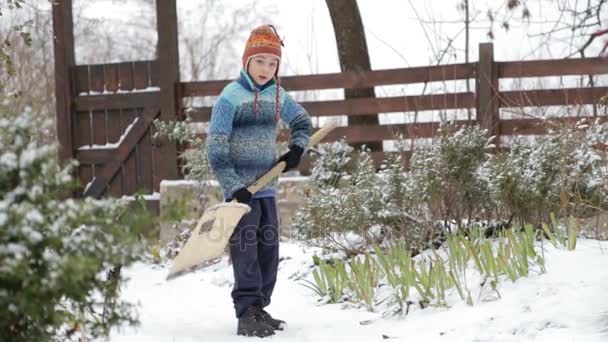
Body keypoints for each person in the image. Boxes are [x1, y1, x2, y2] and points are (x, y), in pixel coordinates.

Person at [206, 24, 312, 338]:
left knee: (268, 249)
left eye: (273, 63)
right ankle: (245, 311)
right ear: (247, 61)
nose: (266, 69)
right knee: (245, 250)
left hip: (266, 188)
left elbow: (302, 122)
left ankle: (259, 307)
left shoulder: (278, 95)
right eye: (260, 61)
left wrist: (296, 148)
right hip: (241, 192)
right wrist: (232, 185)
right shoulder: (230, 97)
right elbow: (216, 147)